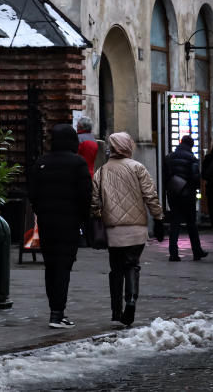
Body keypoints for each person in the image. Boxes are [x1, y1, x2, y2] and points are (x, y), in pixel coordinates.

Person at [91, 132, 164, 327]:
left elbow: (94, 201)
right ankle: (131, 300)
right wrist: (158, 218)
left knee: (116, 269)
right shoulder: (138, 167)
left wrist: (95, 217)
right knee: (132, 265)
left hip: (113, 230)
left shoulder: (103, 170)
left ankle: (116, 311)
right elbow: (150, 195)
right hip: (137, 229)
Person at [28, 124, 93, 329]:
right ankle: (58, 313)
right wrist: (82, 218)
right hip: (69, 223)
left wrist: (41, 211)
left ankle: (53, 310)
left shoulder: (41, 162)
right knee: (64, 266)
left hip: (47, 222)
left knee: (51, 266)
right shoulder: (77, 163)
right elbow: (85, 195)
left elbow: (33, 193)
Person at [162, 135, 207, 261]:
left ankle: (173, 253)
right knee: (191, 223)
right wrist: (195, 189)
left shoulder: (168, 157)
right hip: (187, 194)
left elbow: (165, 177)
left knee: (175, 221)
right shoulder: (192, 158)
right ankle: (197, 251)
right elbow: (195, 177)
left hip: (172, 194)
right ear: (191, 146)